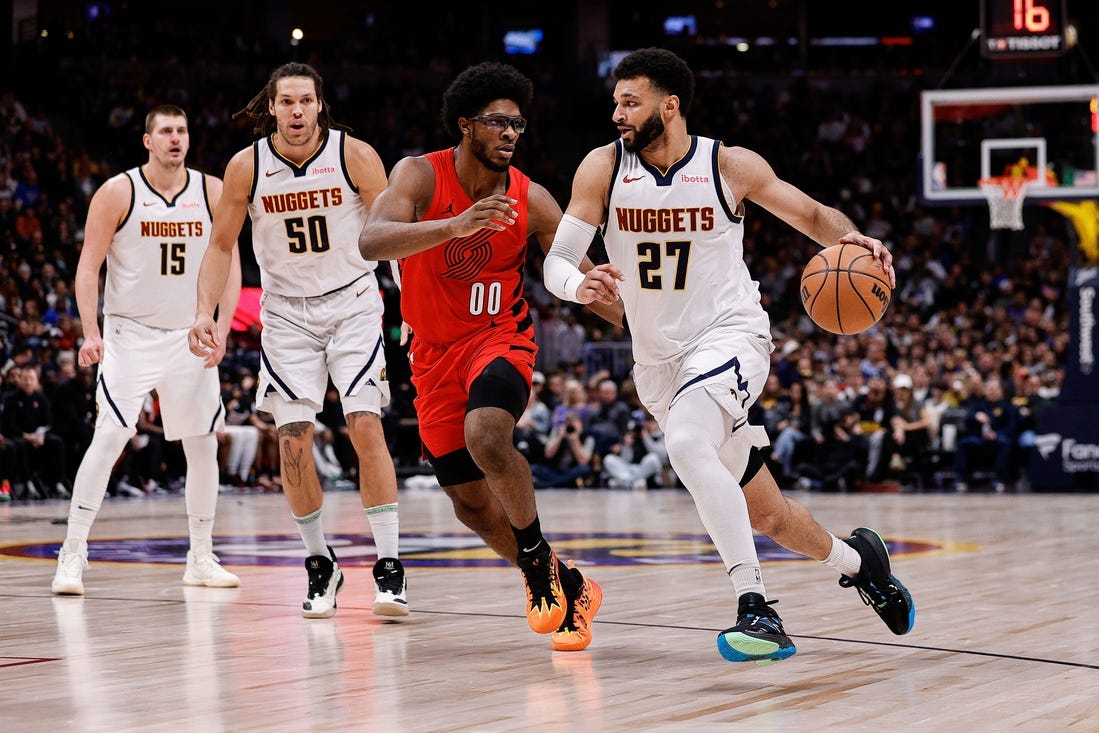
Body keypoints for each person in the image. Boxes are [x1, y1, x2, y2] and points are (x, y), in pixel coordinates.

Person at [543, 47, 915, 663]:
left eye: (629, 102)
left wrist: (859, 240)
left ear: (670, 105)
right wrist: (575, 285)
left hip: (731, 337)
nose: (617, 114)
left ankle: (756, 609)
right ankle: (861, 561)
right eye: (615, 102)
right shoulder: (601, 169)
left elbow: (816, 215)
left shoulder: (729, 166)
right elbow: (558, 257)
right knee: (767, 514)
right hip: (658, 364)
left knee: (686, 445)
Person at [358, 62, 616, 651]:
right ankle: (565, 581)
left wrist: (655, 324)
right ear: (466, 124)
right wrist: (452, 225)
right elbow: (371, 240)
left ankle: (534, 563)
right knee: (470, 504)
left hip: (500, 339)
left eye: (518, 124)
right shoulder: (420, 176)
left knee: (488, 436)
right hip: (431, 353)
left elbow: (582, 280)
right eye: (499, 122)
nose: (510, 133)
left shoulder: (534, 199)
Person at [189, 63, 407, 619]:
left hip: (353, 299)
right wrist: (204, 312)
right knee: (291, 436)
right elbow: (219, 247)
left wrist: (413, 304)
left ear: (318, 105)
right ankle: (320, 562)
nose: (296, 111)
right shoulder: (247, 167)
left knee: (364, 422)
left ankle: (388, 563)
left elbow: (393, 235)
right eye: (286, 102)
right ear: (272, 107)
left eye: (305, 101)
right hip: (286, 313)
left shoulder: (353, 155)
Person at [51, 104, 241, 595]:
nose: (176, 138)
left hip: (189, 335)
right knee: (110, 437)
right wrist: (90, 332)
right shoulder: (118, 191)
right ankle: (72, 553)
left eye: (182, 130)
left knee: (202, 445)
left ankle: (200, 557)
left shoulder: (213, 190)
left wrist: (222, 325)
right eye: (166, 132)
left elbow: (230, 262)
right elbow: (88, 266)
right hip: (129, 334)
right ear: (147, 140)